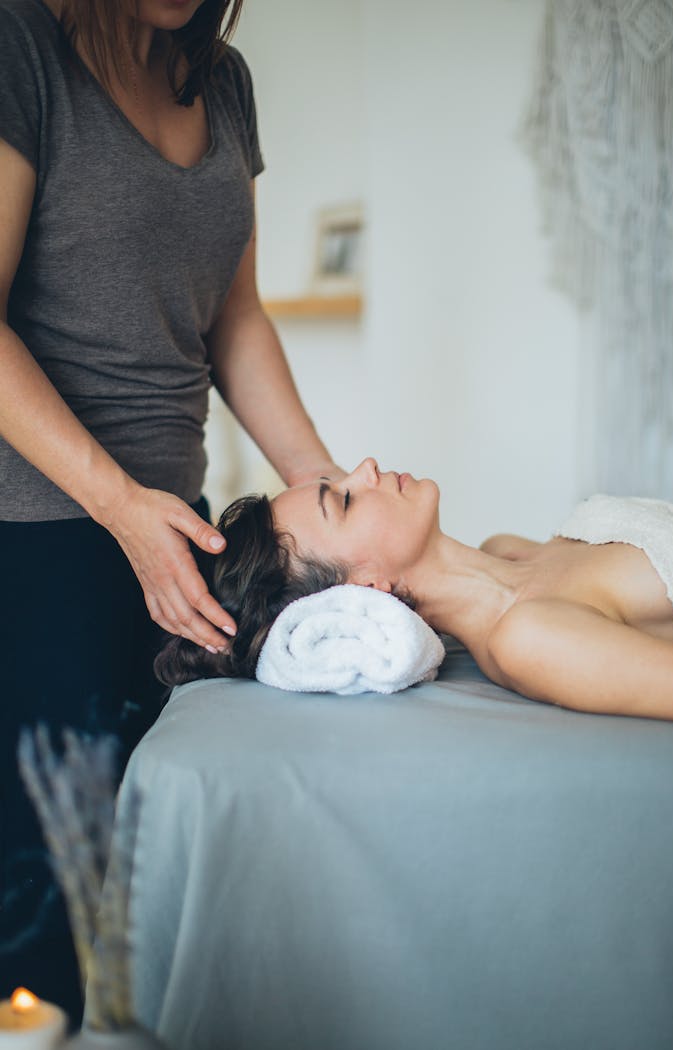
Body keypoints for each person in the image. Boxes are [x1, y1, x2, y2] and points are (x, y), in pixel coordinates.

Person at [0, 0, 341, 1025]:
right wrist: (115, 503)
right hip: (39, 534)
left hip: (175, 522)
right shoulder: (22, 47)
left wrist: (330, 495)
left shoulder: (220, 82)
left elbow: (234, 321)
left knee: (155, 855)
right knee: (49, 875)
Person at [157, 458, 673, 723]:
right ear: (365, 588)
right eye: (345, 500)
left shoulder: (507, 548)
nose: (366, 468)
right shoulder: (527, 638)